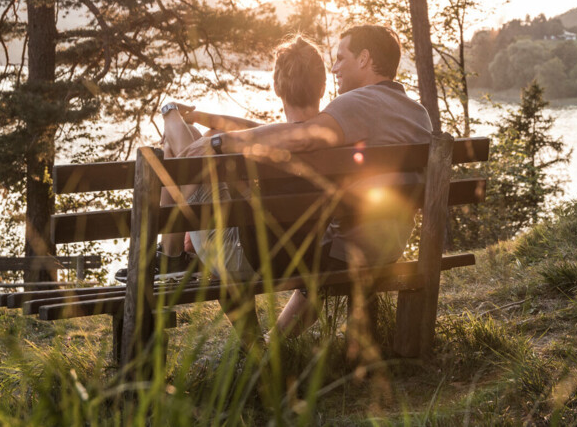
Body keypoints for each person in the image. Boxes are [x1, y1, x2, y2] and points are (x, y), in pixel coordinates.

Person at [183, 24, 432, 338]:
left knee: (296, 246)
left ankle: (259, 348)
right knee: (319, 249)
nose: (336, 67)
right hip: (388, 247)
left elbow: (299, 137)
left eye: (341, 57)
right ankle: (273, 343)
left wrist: (219, 143)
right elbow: (294, 130)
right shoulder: (416, 113)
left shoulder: (359, 103)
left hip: (342, 253)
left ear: (365, 59)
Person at [119, 35, 328, 283]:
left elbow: (256, 130)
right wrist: (202, 117)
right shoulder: (326, 137)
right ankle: (171, 256)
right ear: (323, 87)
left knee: (174, 121)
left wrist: (170, 110)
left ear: (276, 87)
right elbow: (257, 127)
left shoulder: (276, 139)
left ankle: (171, 255)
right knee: (198, 135)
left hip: (240, 258)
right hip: (301, 260)